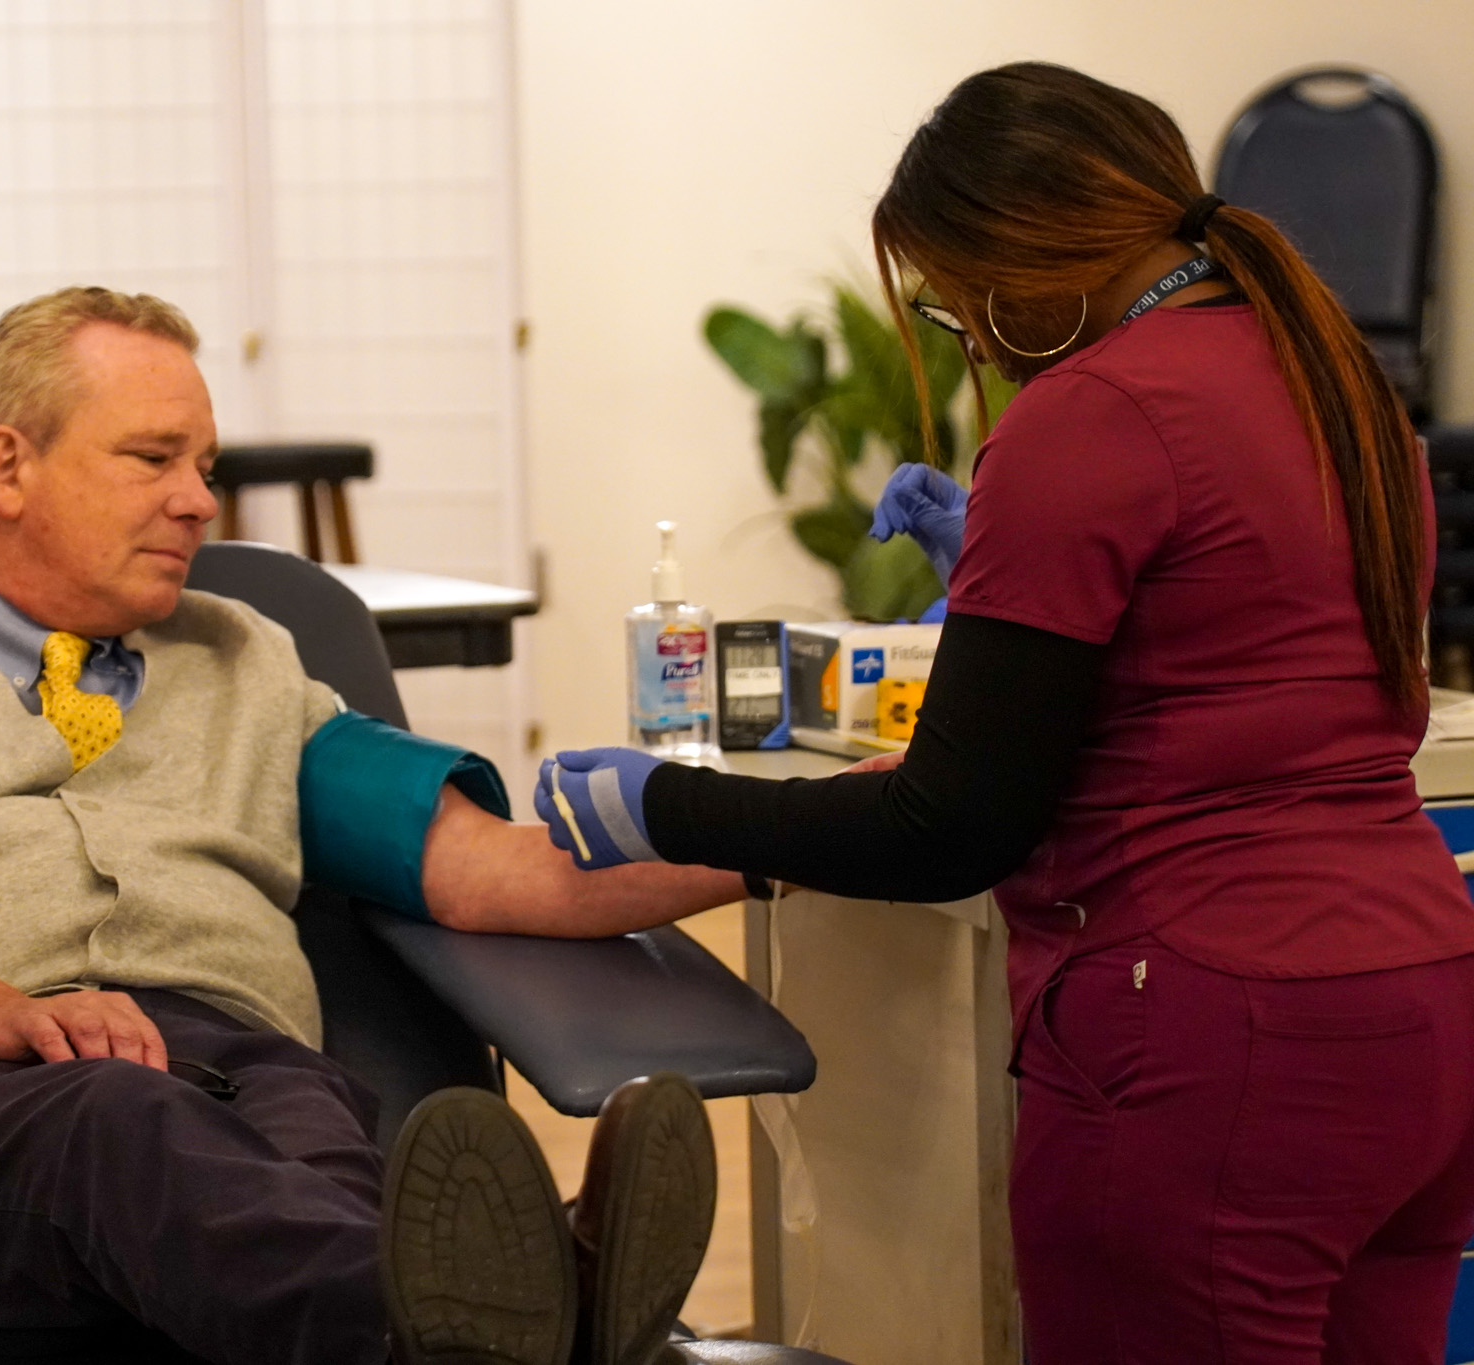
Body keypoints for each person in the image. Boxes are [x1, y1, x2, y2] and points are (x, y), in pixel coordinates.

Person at [534, 63, 1474, 1365]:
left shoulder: (1089, 416)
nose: (964, 340)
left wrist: (658, 803)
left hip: (1215, 1042)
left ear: (1029, 266)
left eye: (954, 303)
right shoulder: (1340, 387)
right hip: (1425, 1008)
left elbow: (950, 824)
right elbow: (1246, 637)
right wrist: (1013, 556)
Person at [0, 287, 748, 1365]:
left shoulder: (244, 660)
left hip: (245, 1080)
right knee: (120, 1124)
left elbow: (493, 872)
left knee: (318, 1170)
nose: (200, 500)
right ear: (7, 466)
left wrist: (797, 834)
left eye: (203, 467)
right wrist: (6, 1016)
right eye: (152, 458)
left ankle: (487, 1322)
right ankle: (543, 1295)